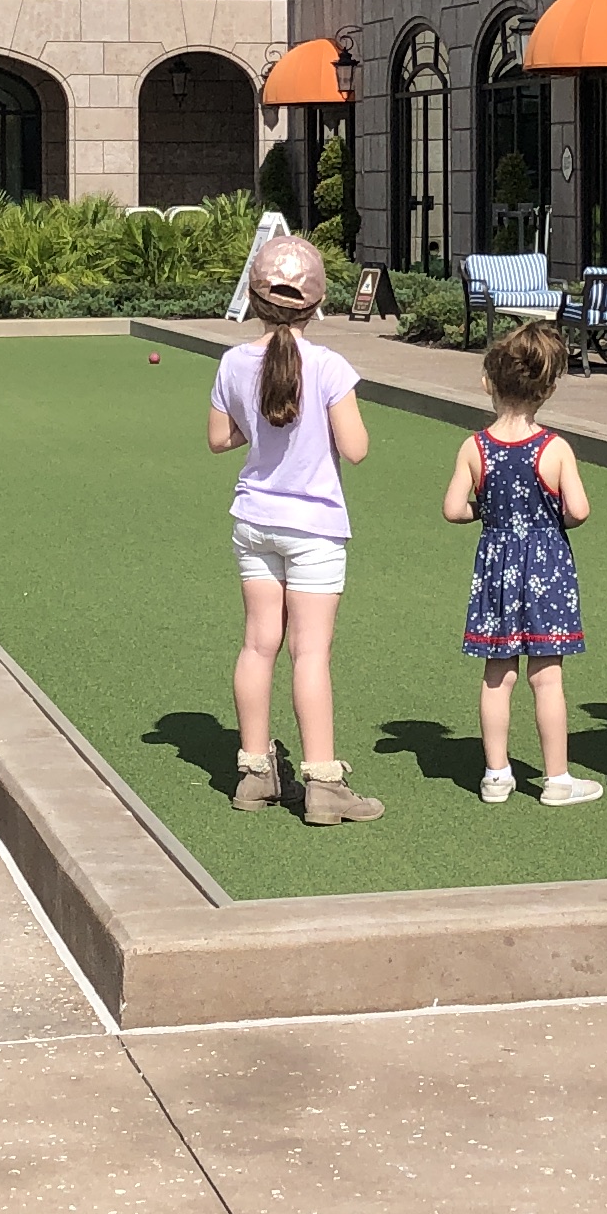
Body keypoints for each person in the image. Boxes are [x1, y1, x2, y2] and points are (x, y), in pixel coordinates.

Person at [208, 232, 380, 823]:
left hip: (254, 520)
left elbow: (218, 438)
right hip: (314, 526)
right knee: (311, 653)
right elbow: (355, 448)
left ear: (254, 298)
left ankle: (255, 772)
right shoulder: (329, 366)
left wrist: (262, 432)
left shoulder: (233, 362)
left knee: (259, 644)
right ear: (316, 303)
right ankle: (324, 786)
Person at [443, 323, 604, 807]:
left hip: (496, 566)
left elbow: (454, 508)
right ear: (548, 387)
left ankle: (496, 773)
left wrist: (487, 511)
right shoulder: (554, 448)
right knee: (547, 675)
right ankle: (556, 779)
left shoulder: (475, 447)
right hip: (546, 567)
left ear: (489, 382)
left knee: (497, 673)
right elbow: (578, 510)